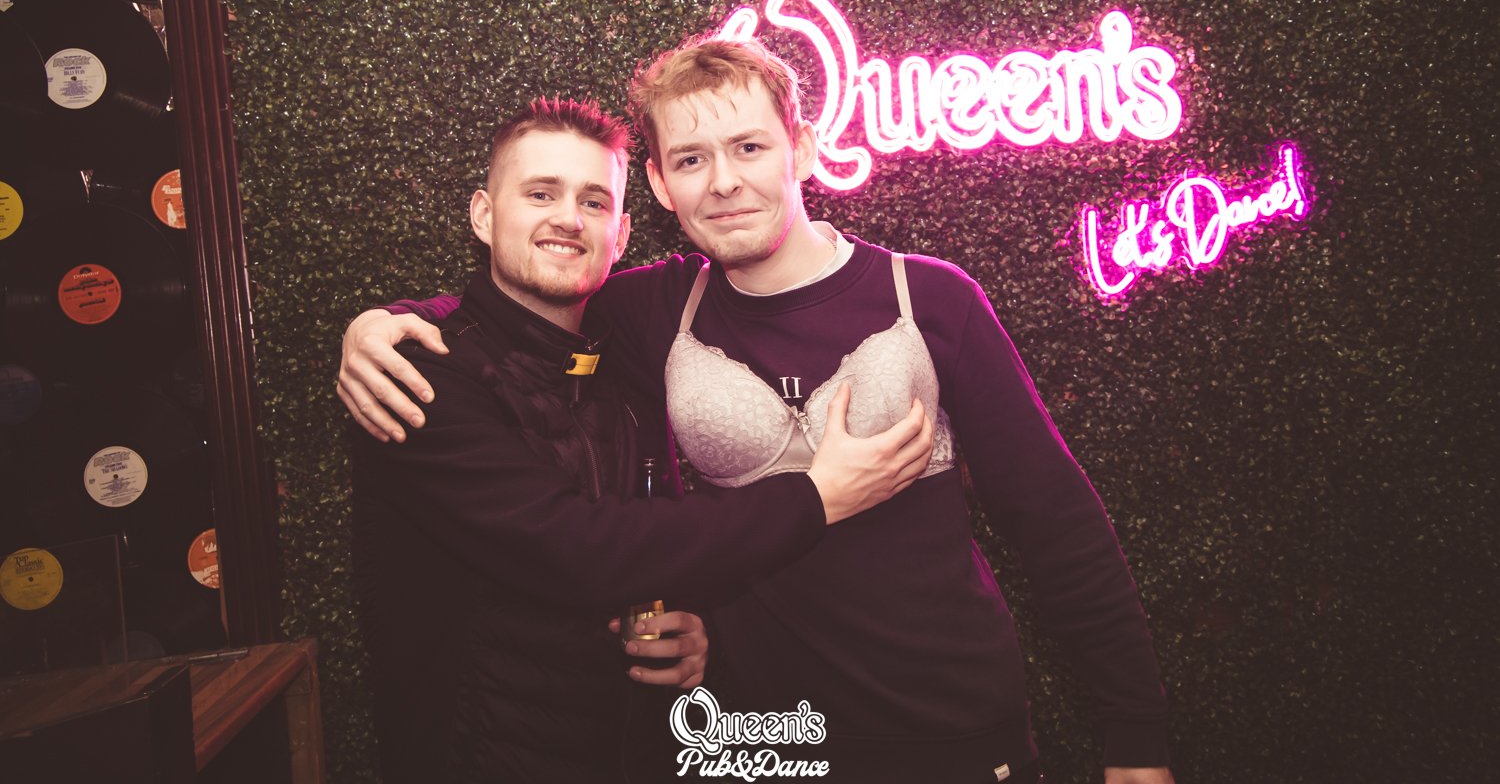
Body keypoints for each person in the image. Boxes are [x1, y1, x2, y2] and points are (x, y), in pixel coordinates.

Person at [342, 43, 1175, 784]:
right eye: (692, 159)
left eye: (748, 147)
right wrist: (383, 324)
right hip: (756, 741)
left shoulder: (929, 298)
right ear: (661, 186)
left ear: (801, 148)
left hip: (947, 728)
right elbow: (526, 302)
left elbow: (1057, 522)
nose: (724, 181)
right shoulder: (654, 310)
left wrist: (1135, 733)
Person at [352, 97, 934, 784]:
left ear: (622, 234)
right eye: (540, 194)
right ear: (483, 215)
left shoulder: (620, 364)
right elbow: (574, 548)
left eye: (594, 201)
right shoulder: (419, 374)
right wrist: (815, 497)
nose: (569, 219)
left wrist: (685, 628)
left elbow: (643, 545)